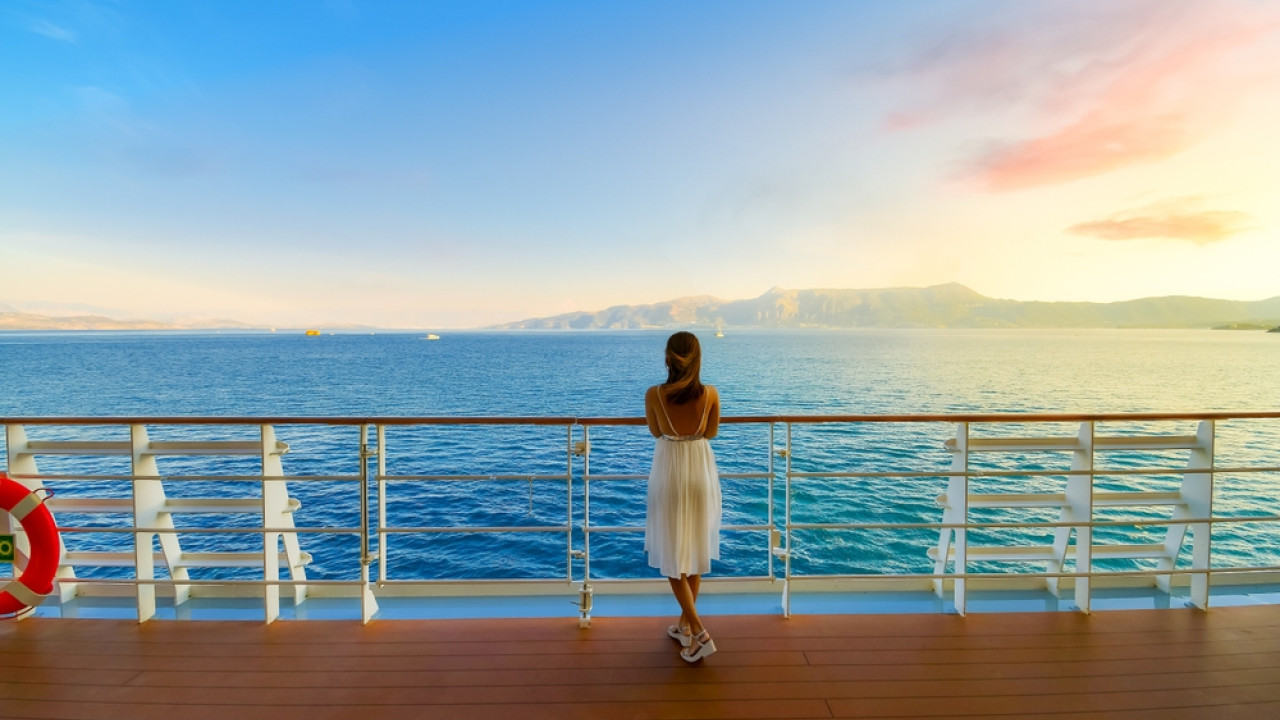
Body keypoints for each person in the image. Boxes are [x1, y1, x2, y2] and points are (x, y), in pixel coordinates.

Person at [643, 331, 722, 663]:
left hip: (671, 475)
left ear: (667, 359)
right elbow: (710, 432)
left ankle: (700, 633)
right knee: (694, 552)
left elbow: (656, 431)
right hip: (700, 473)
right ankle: (684, 627)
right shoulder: (711, 394)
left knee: (674, 560)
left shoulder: (655, 395)